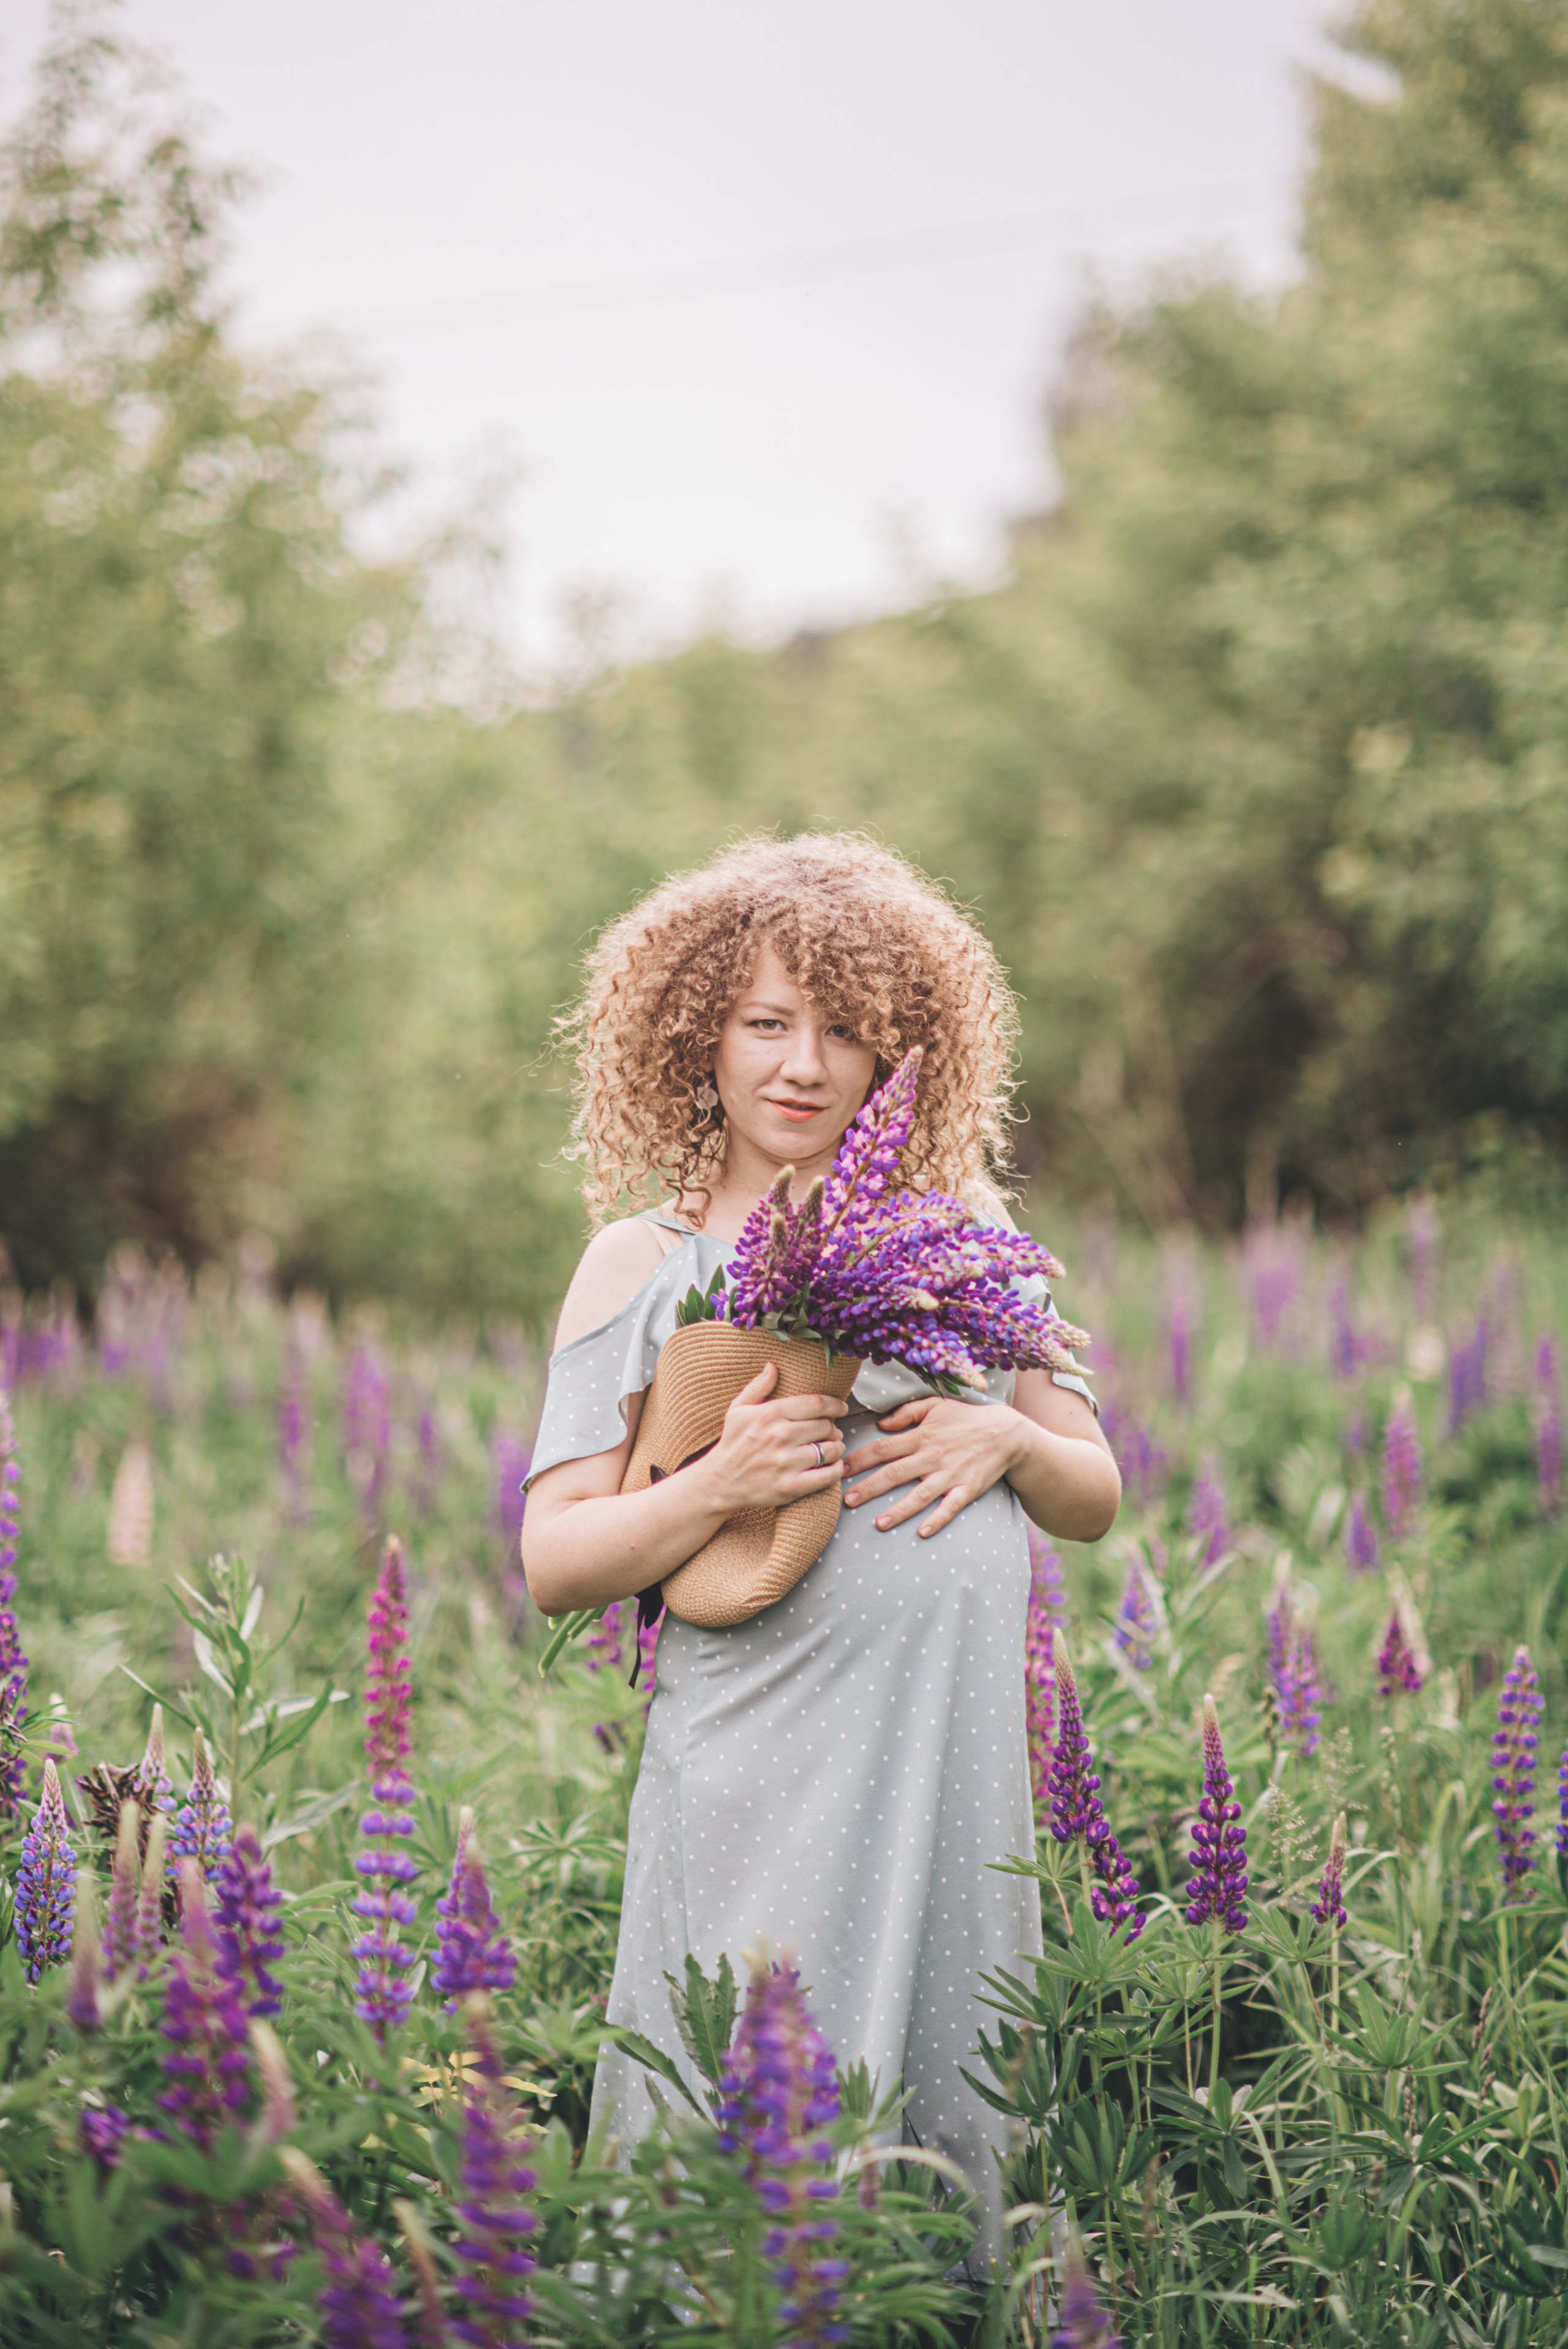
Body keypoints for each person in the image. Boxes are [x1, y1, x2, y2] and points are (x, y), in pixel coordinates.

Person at [521, 833, 1119, 2263]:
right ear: (700, 1040)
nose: (802, 1065)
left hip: (945, 1747)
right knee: (749, 2068)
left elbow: (1093, 1490)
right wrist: (715, 1481)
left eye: (844, 1030)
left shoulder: (963, 1233)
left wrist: (1009, 1444)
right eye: (766, 1024)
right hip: (757, 1748)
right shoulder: (644, 1257)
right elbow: (554, 1558)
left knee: (941, 2049)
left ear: (897, 1053)